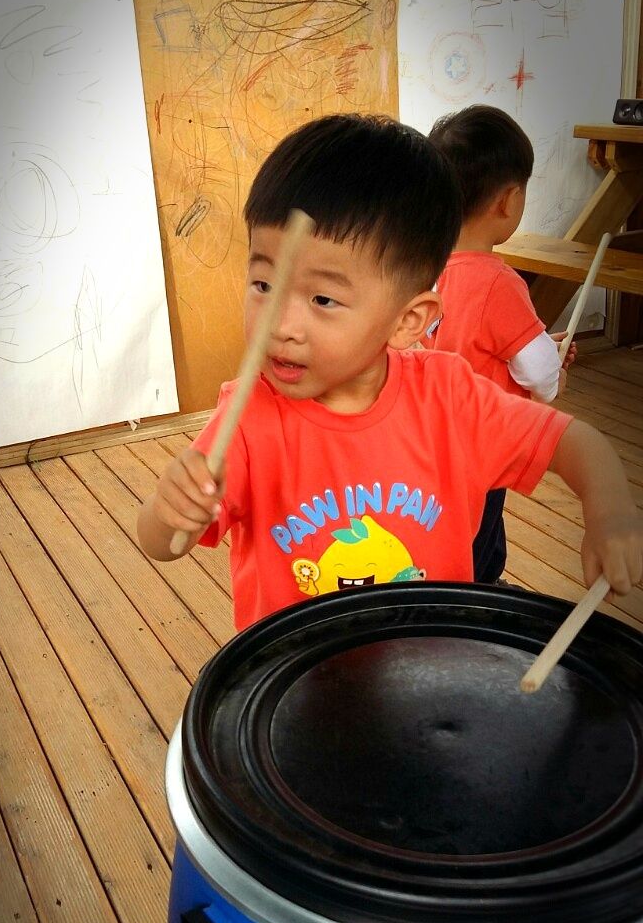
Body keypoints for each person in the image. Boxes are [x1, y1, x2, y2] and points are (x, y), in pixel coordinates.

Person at [137, 113, 642, 631]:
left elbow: (573, 441)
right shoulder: (247, 420)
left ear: (408, 321)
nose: (281, 326)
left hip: (432, 661)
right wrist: (168, 511)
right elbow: (163, 543)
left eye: (323, 299)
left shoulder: (450, 398)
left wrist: (610, 509)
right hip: (299, 669)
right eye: (264, 285)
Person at [426, 104, 576, 583]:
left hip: (430, 437)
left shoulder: (426, 269)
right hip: (484, 442)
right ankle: (477, 593)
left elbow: (472, 340)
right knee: (482, 535)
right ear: (509, 201)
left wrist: (537, 345)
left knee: (441, 523)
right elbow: (537, 371)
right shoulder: (499, 281)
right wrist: (554, 375)